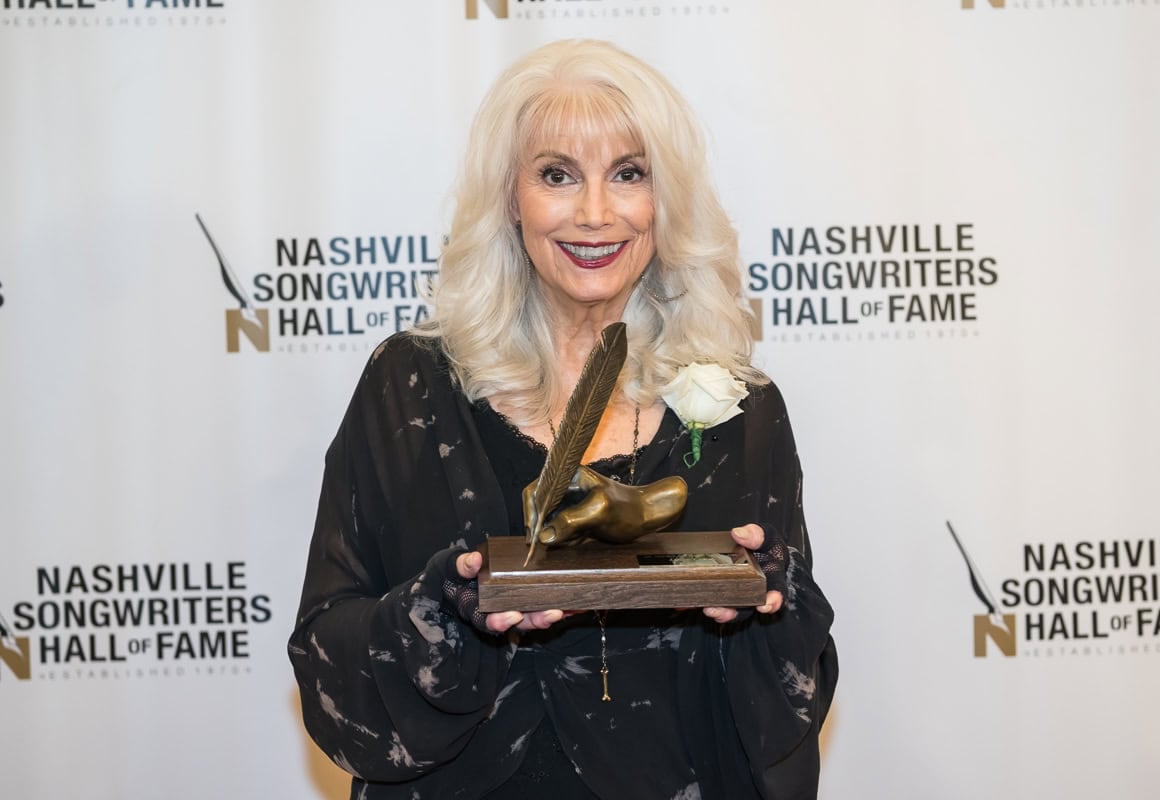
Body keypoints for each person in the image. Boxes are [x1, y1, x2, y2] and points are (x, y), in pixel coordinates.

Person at [289, 39, 837, 800]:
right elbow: (328, 651)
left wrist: (771, 600)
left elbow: (789, 695)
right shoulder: (411, 387)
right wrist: (443, 613)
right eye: (557, 175)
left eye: (629, 173)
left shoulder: (741, 408)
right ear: (510, 198)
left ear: (666, 199)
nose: (595, 213)